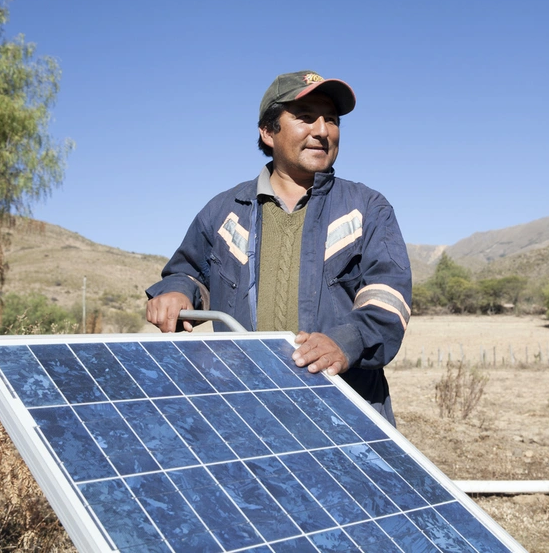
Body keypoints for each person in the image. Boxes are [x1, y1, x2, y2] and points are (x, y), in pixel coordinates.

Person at [146, 70, 411, 425]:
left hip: (345, 410)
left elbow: (389, 296)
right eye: (305, 117)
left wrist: (346, 341)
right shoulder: (224, 211)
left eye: (331, 120)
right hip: (243, 411)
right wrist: (178, 293)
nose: (322, 131)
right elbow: (188, 272)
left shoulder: (367, 207)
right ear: (268, 132)